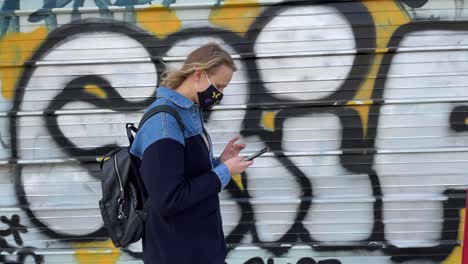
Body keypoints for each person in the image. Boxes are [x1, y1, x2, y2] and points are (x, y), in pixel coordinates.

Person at [129, 43, 253, 264]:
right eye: (218, 86)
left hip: (199, 247)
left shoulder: (187, 113)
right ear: (198, 75)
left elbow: (188, 174)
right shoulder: (164, 123)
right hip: (177, 251)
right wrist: (224, 172)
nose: (219, 94)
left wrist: (219, 162)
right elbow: (169, 199)